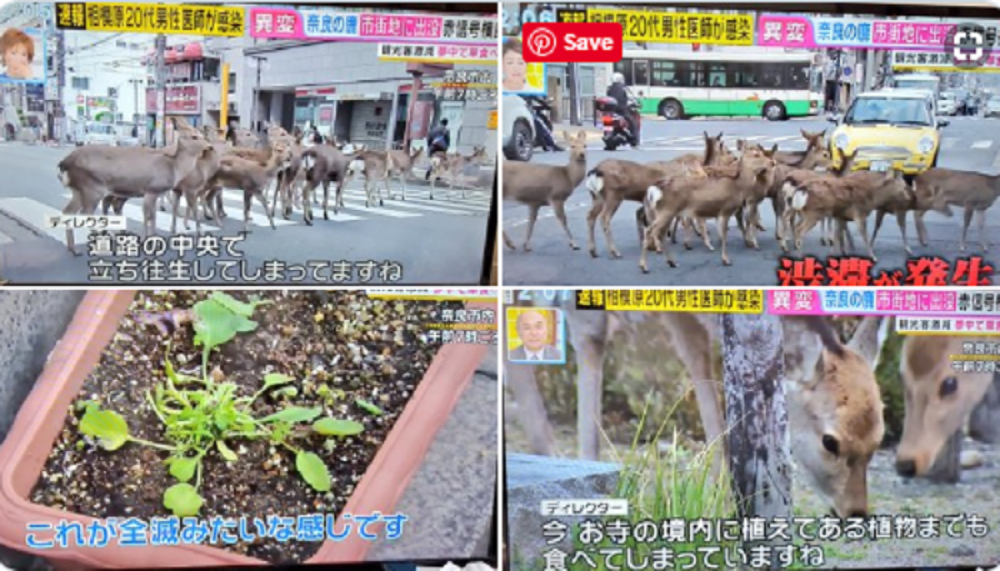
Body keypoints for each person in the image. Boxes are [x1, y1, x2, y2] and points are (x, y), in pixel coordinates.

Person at [607, 72, 639, 147]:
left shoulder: (609, 88)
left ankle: (608, 136)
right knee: (633, 122)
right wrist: (634, 103)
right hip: (622, 110)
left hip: (611, 111)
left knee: (607, 121)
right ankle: (634, 139)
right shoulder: (624, 88)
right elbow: (629, 98)